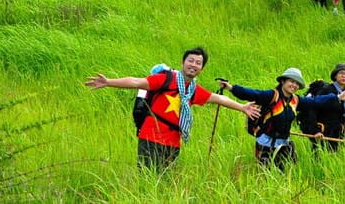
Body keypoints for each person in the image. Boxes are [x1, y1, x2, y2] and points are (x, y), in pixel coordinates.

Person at [84, 47, 260, 172]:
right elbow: (137, 82)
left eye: (198, 63)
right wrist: (109, 82)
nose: (193, 65)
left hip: (173, 142)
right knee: (147, 178)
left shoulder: (192, 90)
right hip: (151, 137)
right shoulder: (166, 79)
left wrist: (242, 107)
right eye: (190, 60)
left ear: (201, 68)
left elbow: (218, 98)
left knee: (164, 180)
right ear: (183, 62)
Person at [218, 67, 345, 170]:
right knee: (267, 174)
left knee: (288, 172)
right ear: (283, 81)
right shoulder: (272, 96)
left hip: (285, 143)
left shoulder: (296, 100)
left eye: (297, 83)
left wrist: (337, 97)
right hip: (266, 144)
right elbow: (252, 93)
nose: (294, 85)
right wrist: (231, 88)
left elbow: (315, 101)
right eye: (291, 81)